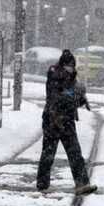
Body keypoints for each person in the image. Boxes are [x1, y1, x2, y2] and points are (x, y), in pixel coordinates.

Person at [37, 50, 96, 195]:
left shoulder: (70, 78)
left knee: (72, 153)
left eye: (72, 66)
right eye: (69, 66)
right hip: (53, 120)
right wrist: (74, 98)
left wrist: (80, 98)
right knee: (50, 153)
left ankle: (81, 183)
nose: (71, 68)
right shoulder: (55, 75)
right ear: (63, 65)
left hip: (65, 120)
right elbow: (57, 97)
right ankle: (43, 184)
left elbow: (70, 97)